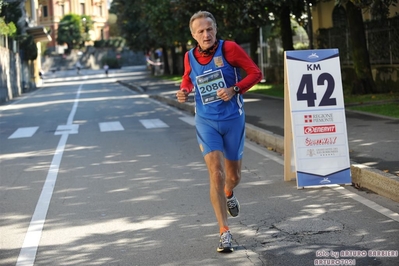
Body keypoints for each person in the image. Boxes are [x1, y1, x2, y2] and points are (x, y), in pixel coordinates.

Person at [176, 11, 262, 253]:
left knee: (232, 176)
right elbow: (187, 78)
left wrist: (235, 89)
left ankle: (229, 191)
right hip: (206, 122)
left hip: (233, 120)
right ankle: (224, 231)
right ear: (193, 35)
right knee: (216, 173)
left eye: (209, 29)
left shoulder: (230, 49)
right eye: (201, 31)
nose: (206, 34)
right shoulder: (189, 56)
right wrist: (184, 89)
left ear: (215, 29)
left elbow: (256, 73)